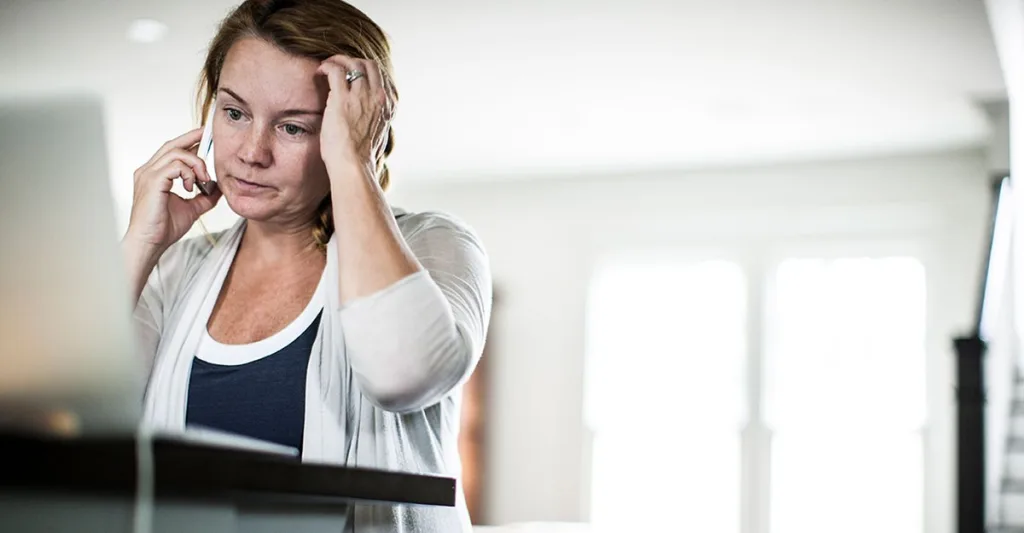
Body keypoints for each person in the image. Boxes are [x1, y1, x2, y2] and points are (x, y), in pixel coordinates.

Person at [121, 0, 492, 530]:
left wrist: (353, 164)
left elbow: (403, 375)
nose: (252, 152)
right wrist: (141, 241)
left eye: (294, 128)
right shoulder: (177, 270)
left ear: (355, 128)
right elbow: (66, 417)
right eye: (234, 113)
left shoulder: (436, 244)